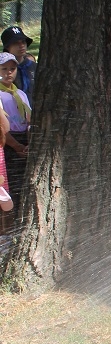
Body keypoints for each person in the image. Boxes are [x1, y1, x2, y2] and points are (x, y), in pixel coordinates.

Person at [0, 53, 29, 210]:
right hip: (8, 143)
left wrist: (27, 142)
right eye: (4, 69)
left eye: (12, 68)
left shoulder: (21, 94)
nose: (8, 72)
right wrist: (16, 146)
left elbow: (29, 119)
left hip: (24, 140)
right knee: (9, 185)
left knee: (24, 183)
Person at [2, 26, 36, 102]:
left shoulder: (34, 67)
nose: (21, 46)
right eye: (16, 43)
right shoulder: (2, 69)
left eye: (23, 42)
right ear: (7, 47)